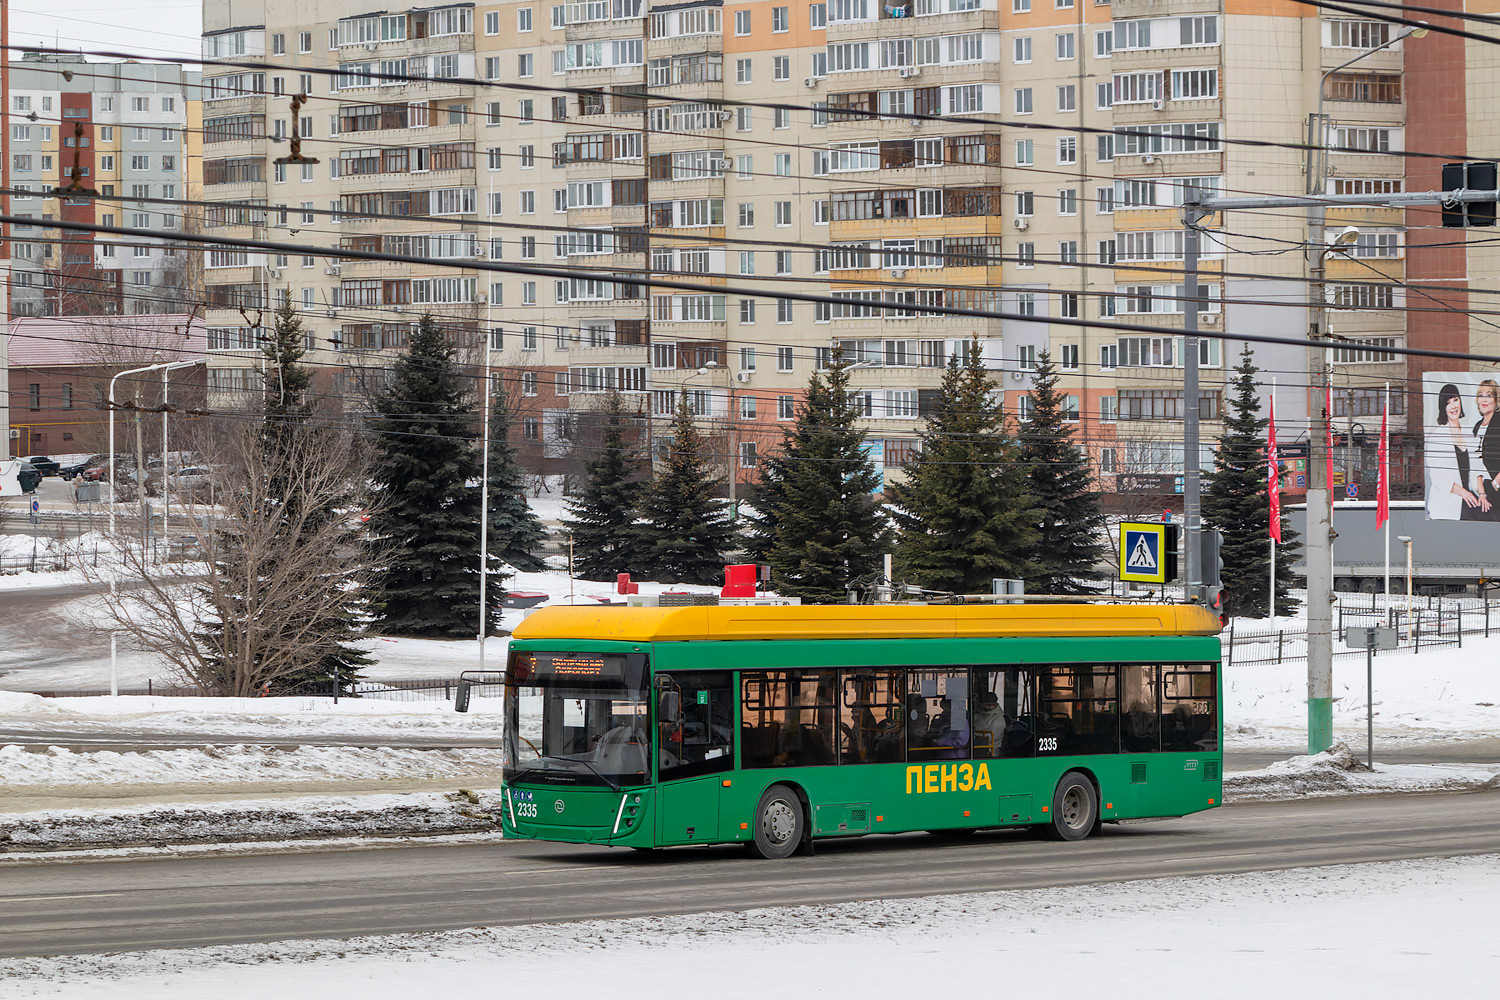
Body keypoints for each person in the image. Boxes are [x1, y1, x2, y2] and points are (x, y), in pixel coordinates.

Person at [1427, 383, 1483, 520]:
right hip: (1447, 504)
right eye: (1448, 403)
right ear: (1443, 408)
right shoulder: (1436, 437)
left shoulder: (1470, 433)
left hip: (1470, 499)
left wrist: (1482, 493)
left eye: (1456, 400)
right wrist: (1464, 493)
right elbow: (1438, 477)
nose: (1453, 406)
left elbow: (1477, 467)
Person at [1466, 380, 1500, 521]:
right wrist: (1482, 493)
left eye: (1489, 395)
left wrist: (1497, 482)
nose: (1484, 399)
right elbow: (1476, 463)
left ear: (1496, 400)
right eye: (1481, 395)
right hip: (1484, 488)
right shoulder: (1477, 426)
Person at [972, 690, 1008, 756]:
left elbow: (991, 737)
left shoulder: (998, 719)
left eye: (990, 705)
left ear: (995, 705)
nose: (987, 707)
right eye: (986, 705)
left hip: (991, 750)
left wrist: (974, 737)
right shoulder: (979, 715)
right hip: (978, 747)